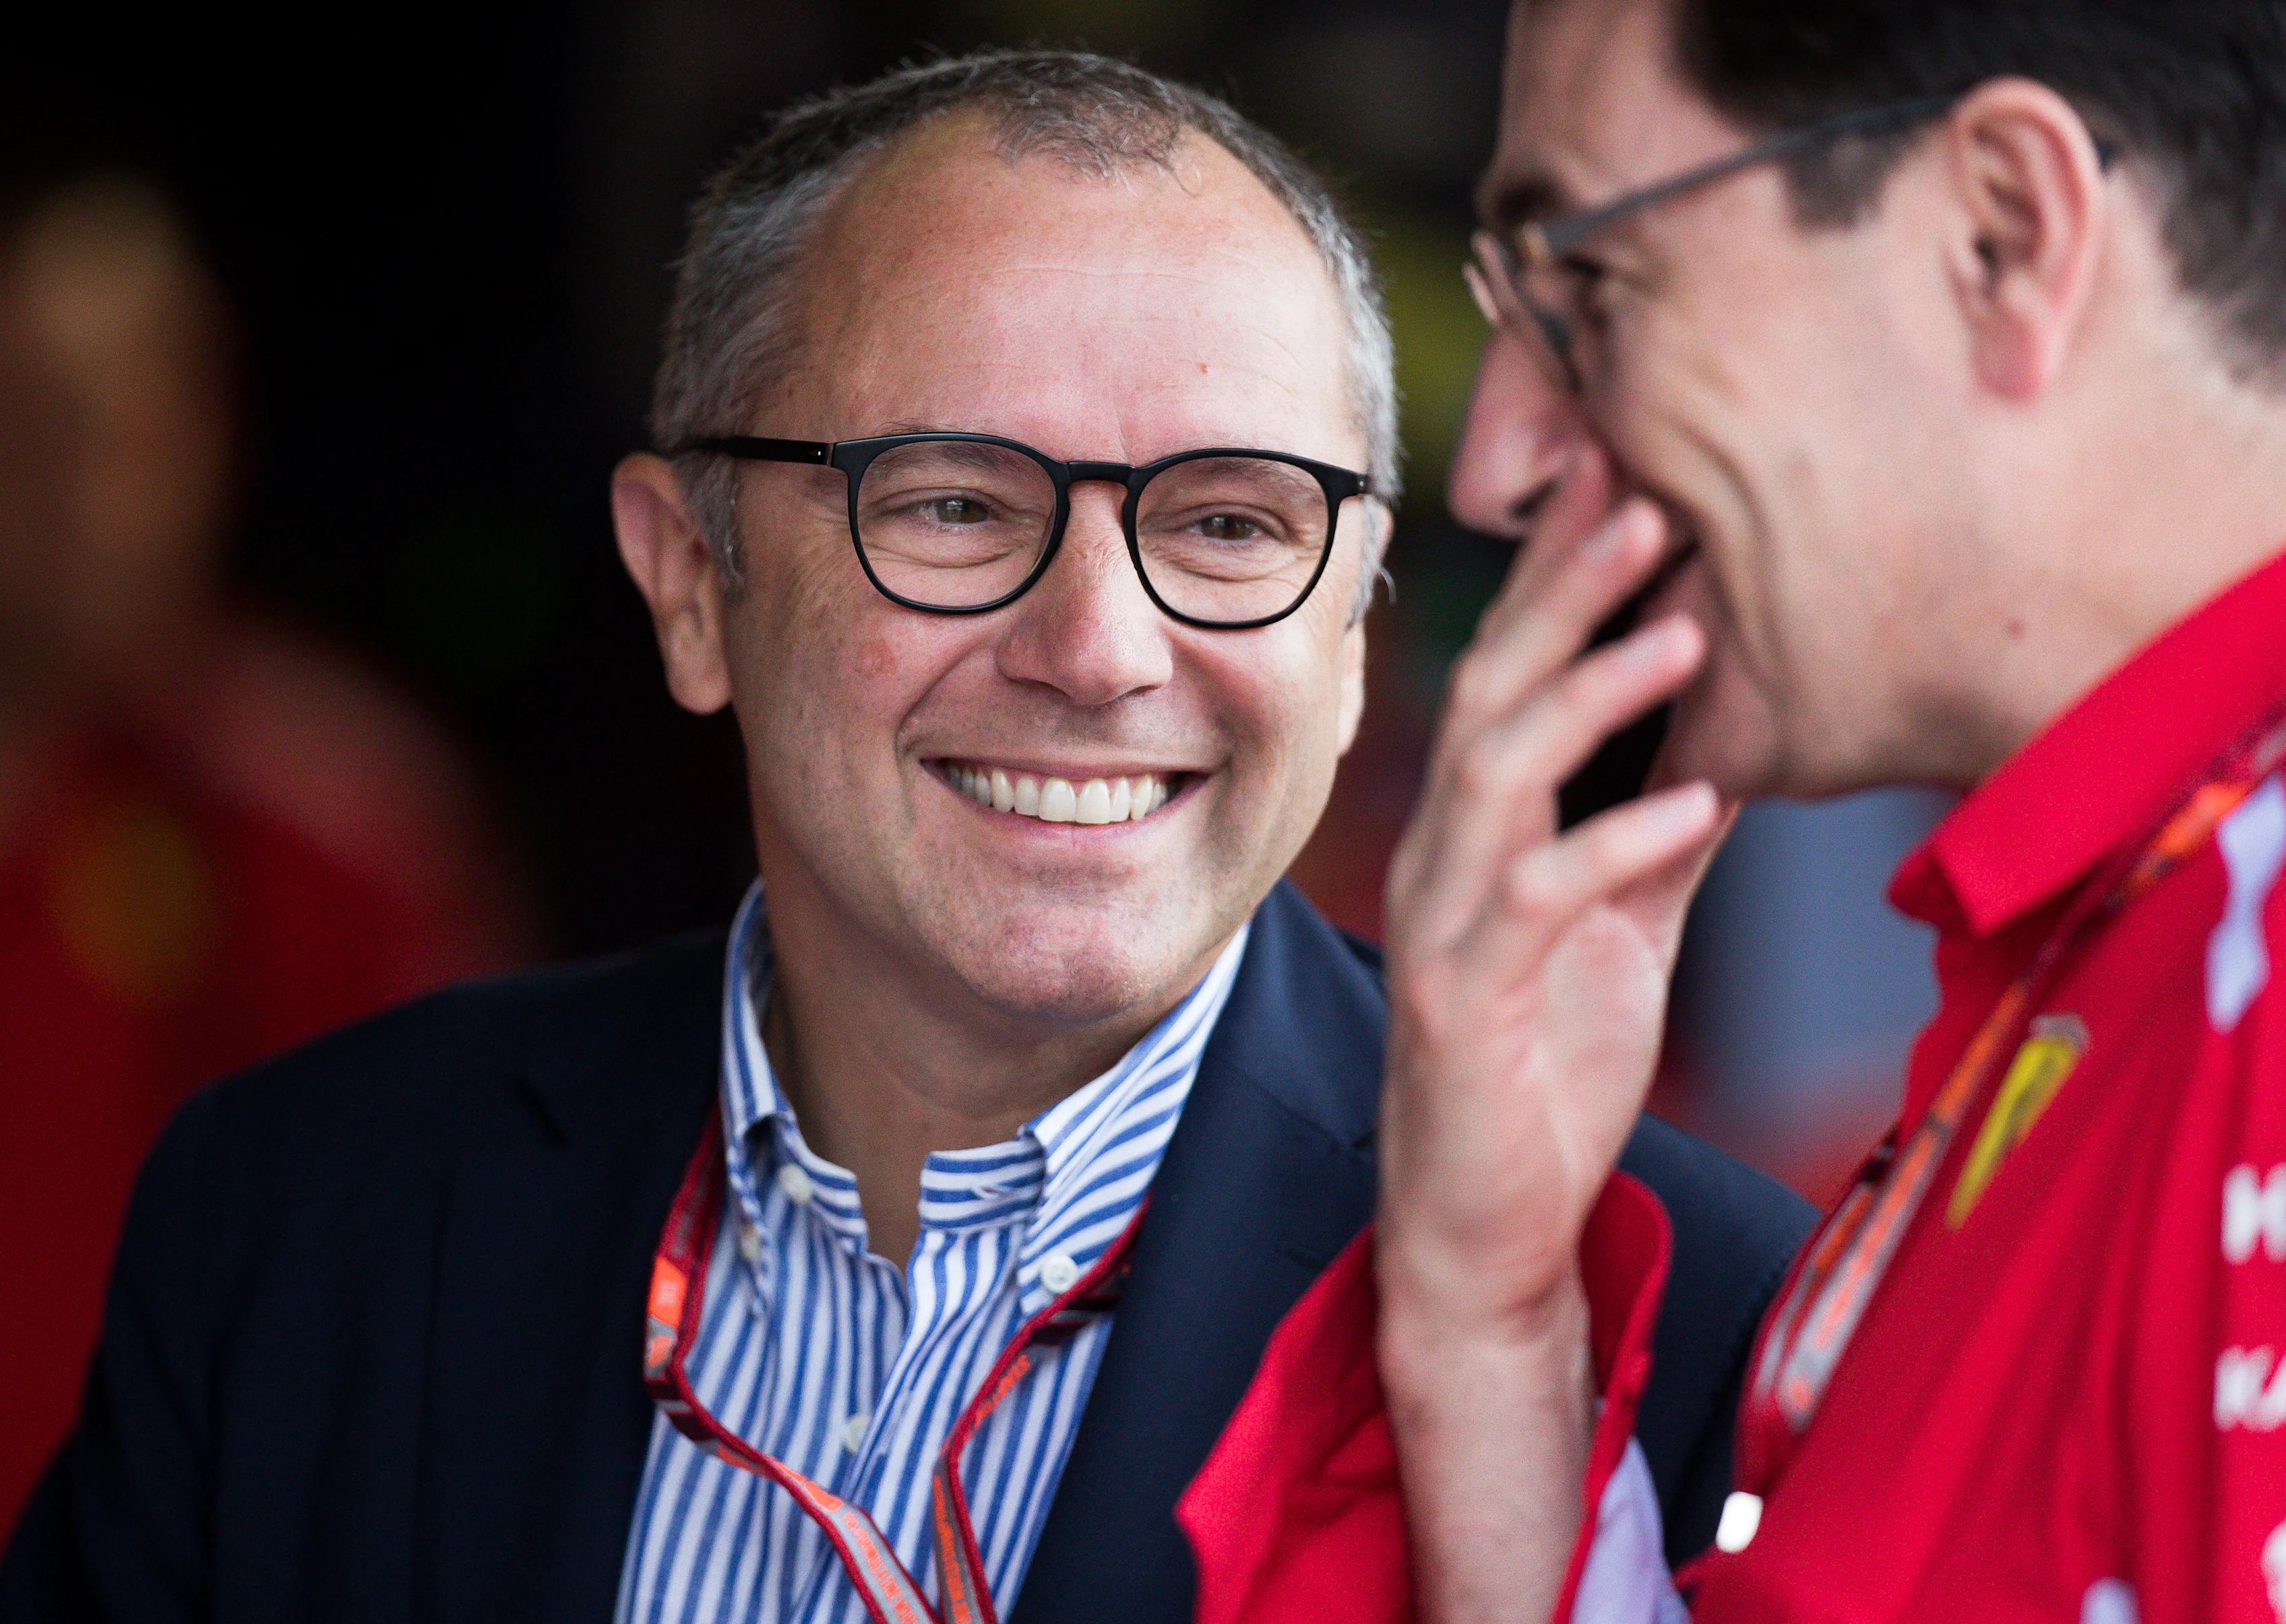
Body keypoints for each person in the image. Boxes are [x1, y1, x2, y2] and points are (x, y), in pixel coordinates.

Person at [0, 50, 1809, 1624]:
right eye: (949, 504)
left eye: (1234, 525)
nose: (1099, 650)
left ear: (1357, 640)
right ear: (692, 586)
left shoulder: (1682, 1325)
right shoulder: (301, 1219)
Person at [1177, 2, 2286, 1622]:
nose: (1495, 465)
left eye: (1591, 290)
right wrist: (1493, 1333)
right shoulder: (2122, 958)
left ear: (2000, 235)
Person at [0, 109, 530, 1532]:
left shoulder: (329, 830)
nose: (122, 488)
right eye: (50, 424)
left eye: (164, 407)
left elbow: (463, 1326)